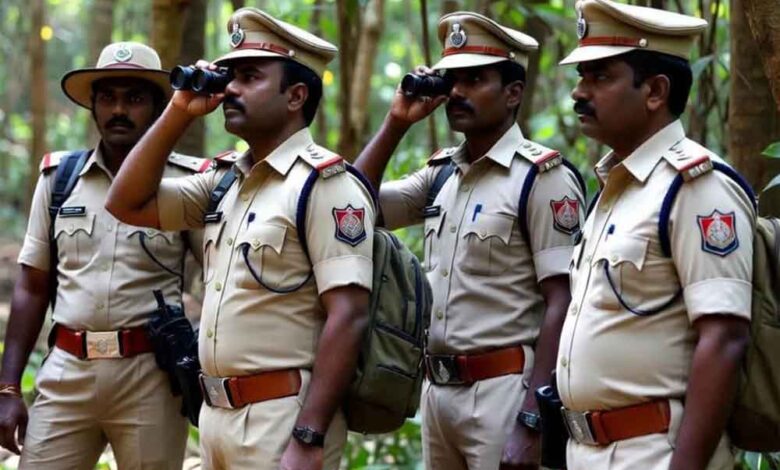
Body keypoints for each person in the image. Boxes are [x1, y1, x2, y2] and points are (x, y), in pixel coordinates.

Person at [105, 8, 374, 470]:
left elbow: (348, 315)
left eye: (249, 77)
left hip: (281, 420)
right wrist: (178, 111)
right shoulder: (225, 180)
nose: (230, 88)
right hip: (216, 418)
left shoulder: (325, 185)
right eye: (229, 76)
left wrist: (308, 437)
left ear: (296, 96)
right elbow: (125, 201)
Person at [354, 11, 584, 470]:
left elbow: (563, 300)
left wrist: (533, 417)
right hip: (437, 393)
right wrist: (397, 122)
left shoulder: (541, 178)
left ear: (513, 93)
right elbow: (351, 209)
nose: (457, 92)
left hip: (503, 391)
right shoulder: (442, 175)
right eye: (452, 80)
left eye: (474, 80)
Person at [555, 0, 755, 468]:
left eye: (600, 77)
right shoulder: (616, 188)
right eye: (582, 76)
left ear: (655, 91)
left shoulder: (696, 188)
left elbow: (725, 338)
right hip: (587, 451)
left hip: (652, 453)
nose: (579, 92)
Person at [0, 42, 208, 469]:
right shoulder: (59, 179)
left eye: (134, 99)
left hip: (151, 377)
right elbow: (32, 286)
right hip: (67, 372)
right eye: (108, 98)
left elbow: (221, 279)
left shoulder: (189, 183)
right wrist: (7, 389)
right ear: (93, 106)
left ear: (159, 107)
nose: (119, 110)